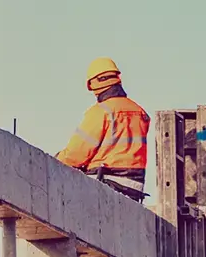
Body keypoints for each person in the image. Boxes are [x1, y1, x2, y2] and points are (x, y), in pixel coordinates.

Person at [55, 57, 151, 200]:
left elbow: (76, 154)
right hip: (134, 186)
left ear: (92, 84)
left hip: (106, 181)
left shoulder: (101, 112)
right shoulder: (140, 112)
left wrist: (56, 159)